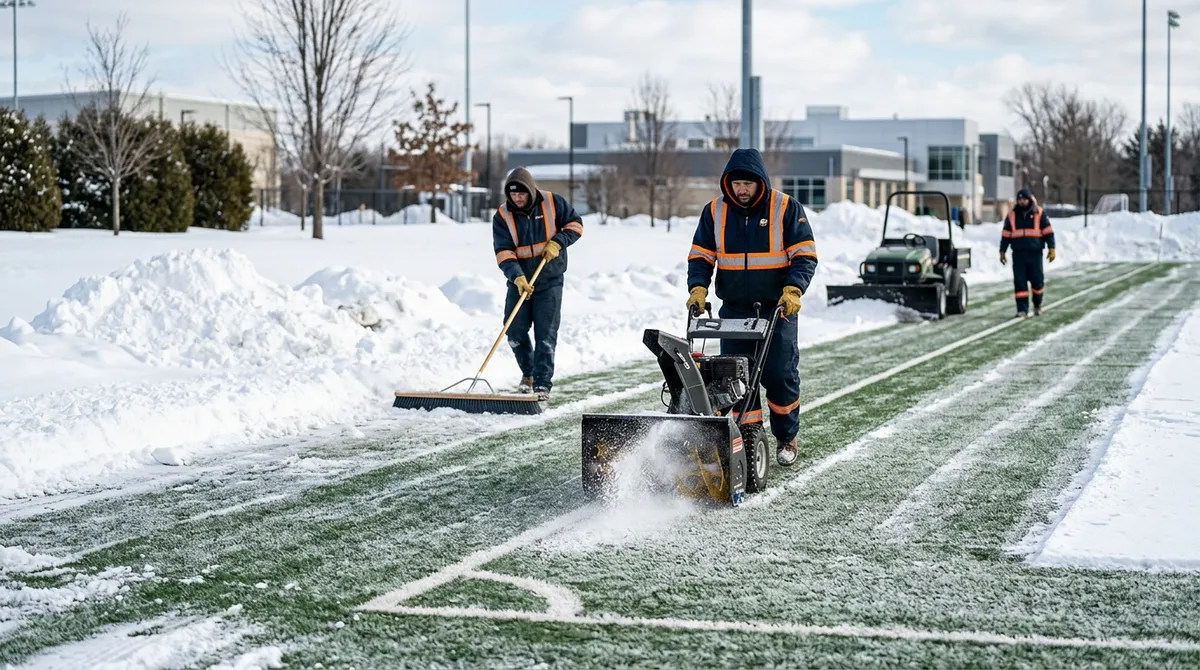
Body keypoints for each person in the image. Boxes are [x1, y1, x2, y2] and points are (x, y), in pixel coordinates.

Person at [685, 148, 818, 467]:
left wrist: (794, 288)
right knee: (737, 377)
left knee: (780, 375)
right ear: (728, 183)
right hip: (734, 311)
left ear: (760, 182)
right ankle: (750, 435)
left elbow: (805, 254)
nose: (742, 190)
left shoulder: (785, 207)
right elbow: (701, 256)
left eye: (748, 184)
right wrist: (698, 288)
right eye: (737, 184)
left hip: (777, 310)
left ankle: (787, 436)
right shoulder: (715, 211)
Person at [492, 167, 584, 401]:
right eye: (512, 194)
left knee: (546, 335)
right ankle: (529, 374)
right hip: (520, 282)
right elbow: (503, 252)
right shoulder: (502, 216)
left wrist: (558, 242)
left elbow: (576, 225)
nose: (517, 198)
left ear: (530, 191)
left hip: (550, 281)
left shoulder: (553, 202)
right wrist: (517, 277)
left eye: (521, 194)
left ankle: (542, 384)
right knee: (513, 331)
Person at [1000, 188, 1056, 317]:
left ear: (1030, 199)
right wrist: (1002, 251)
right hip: (1018, 254)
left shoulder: (1039, 213)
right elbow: (1006, 234)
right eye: (1019, 199)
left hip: (1035, 253)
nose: (1022, 202)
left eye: (1024, 199)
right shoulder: (1012, 215)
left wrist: (1051, 248)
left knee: (1037, 281)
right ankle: (1022, 309)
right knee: (1020, 282)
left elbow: (1048, 232)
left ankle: (1037, 304)